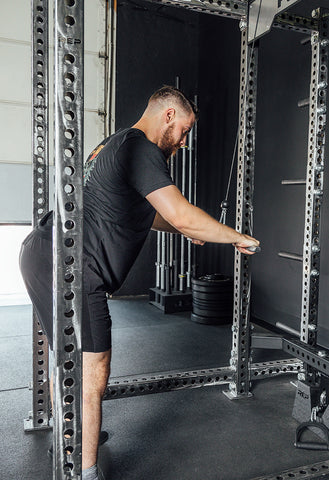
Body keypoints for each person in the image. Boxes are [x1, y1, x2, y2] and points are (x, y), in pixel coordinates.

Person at [19, 86, 259, 480]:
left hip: (41, 252)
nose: (182, 143)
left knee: (65, 355)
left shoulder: (114, 144)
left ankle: (71, 437)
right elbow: (179, 212)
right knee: (91, 372)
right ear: (167, 116)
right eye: (183, 131)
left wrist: (185, 229)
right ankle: (85, 470)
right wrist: (234, 236)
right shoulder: (144, 147)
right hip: (73, 267)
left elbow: (147, 213)